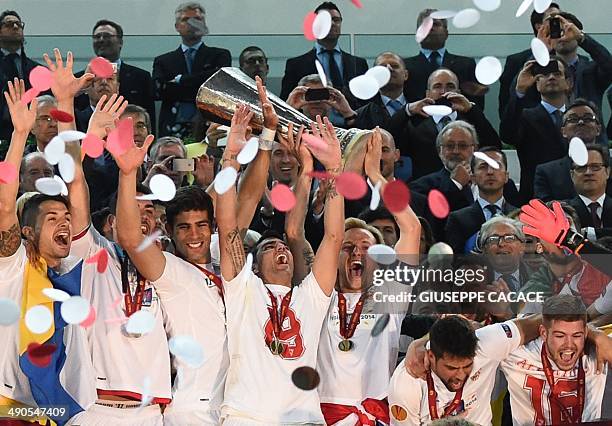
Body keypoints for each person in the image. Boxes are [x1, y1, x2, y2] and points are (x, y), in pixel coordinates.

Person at [112, 77, 279, 424]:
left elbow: (246, 198)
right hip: (195, 407)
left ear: (212, 226)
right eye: (184, 228)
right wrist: (128, 174)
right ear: (169, 231)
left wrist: (265, 140)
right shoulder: (169, 270)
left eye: (202, 225)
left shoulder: (223, 253)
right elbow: (129, 237)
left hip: (242, 402)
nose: (194, 235)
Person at [217, 109, 343, 424]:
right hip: (246, 417)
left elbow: (333, 237)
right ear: (254, 266)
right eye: (270, 248)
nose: (281, 250)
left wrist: (333, 169)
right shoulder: (243, 288)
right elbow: (228, 227)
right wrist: (231, 158)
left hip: (303, 419)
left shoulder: (310, 297)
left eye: (284, 246)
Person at [0, 77, 96, 424]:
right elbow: (4, 204)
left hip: (43, 413)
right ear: (27, 232)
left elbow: (75, 179)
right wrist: (20, 134)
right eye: (52, 217)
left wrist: (66, 104)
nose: (65, 224)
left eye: (66, 217)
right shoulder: (13, 264)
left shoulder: (65, 270)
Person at [317, 128, 420, 425]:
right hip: (321, 416)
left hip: (376, 417)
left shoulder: (391, 294)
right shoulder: (317, 294)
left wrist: (375, 174)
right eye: (347, 247)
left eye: (367, 247)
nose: (357, 254)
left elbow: (411, 229)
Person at [501, 295, 609, 425]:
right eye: (560, 335)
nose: (569, 344)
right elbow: (478, 338)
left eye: (576, 335)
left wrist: (597, 334)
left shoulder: (600, 350)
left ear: (585, 332)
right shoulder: (514, 353)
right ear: (543, 333)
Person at [388, 68, 500, 179]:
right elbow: (389, 139)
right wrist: (407, 110)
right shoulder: (415, 124)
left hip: (467, 188)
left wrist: (471, 110)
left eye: (450, 86)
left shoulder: (471, 120)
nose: (443, 92)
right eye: (437, 86)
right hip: (426, 191)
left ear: (458, 93)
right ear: (427, 94)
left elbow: (494, 146)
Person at [153, 2, 231, 137]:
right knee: (175, 158)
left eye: (197, 19)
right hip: (173, 129)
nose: (192, 24)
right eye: (185, 20)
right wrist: (201, 85)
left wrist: (180, 80)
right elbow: (159, 92)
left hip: (209, 129)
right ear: (177, 26)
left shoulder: (220, 55)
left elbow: (221, 85)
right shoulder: (163, 61)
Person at [500, 56, 571, 201]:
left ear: (568, 82)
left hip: (574, 194)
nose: (551, 77)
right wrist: (519, 91)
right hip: (536, 197)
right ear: (536, 83)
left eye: (557, 74)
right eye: (544, 74)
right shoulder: (525, 116)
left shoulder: (580, 116)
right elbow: (508, 135)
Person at [280, 1, 368, 113]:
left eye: (336, 20)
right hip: (311, 126)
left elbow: (366, 102)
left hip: (351, 124)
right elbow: (286, 102)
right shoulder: (296, 65)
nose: (332, 23)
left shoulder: (359, 64)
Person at [75, 19, 155, 132]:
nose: (101, 40)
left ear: (120, 42)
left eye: (107, 36)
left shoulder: (141, 78)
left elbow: (149, 121)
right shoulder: (79, 80)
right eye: (97, 36)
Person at [403, 9, 486, 110]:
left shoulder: (466, 64)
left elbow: (476, 106)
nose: (430, 28)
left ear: (446, 33)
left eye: (435, 24)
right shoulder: (404, 67)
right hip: (417, 123)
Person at [534, 99, 612, 201]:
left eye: (588, 118)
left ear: (598, 129)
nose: (580, 122)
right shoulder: (547, 172)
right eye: (573, 119)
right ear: (563, 131)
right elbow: (545, 210)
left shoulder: (610, 164)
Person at [445, 147, 516, 254]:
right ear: (472, 178)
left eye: (495, 166)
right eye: (483, 166)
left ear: (506, 176)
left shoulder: (520, 217)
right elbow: (455, 261)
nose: (490, 172)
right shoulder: (458, 219)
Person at [498, 3, 561, 118]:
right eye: (553, 19)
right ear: (539, 26)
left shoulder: (573, 59)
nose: (560, 23)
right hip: (527, 128)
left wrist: (581, 37)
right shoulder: (516, 61)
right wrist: (541, 51)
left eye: (562, 18)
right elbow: (506, 108)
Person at [0, 10, 40, 143]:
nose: (16, 27)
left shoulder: (37, 70)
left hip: (31, 135)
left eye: (18, 24)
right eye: (9, 24)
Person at [566, 143, 612, 239]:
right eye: (581, 167)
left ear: (607, 172)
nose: (588, 172)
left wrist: (589, 233)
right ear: (572, 175)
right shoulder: (563, 212)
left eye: (595, 167)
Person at [354, 51, 409, 130]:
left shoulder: (421, 108)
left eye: (395, 66)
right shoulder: (361, 115)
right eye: (382, 67)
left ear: (406, 75)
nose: (389, 69)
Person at [479, 217, 533, 294]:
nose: (501, 244)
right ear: (484, 249)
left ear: (522, 246)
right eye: (493, 239)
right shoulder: (472, 279)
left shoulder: (542, 277)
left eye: (509, 238)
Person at [286, 74, 357, 127]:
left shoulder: (341, 129)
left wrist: (347, 112)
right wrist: (287, 109)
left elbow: (361, 137)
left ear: (332, 98)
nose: (317, 102)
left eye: (322, 95)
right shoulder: (291, 130)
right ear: (299, 98)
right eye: (311, 95)